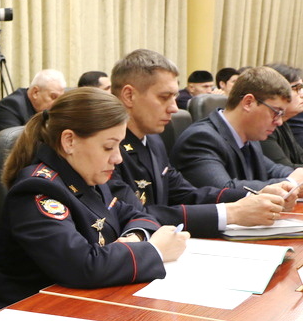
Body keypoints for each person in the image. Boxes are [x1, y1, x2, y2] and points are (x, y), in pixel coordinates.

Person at [0, 88, 188, 320]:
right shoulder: (37, 188)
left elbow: (136, 214)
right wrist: (155, 250)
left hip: (73, 305)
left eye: (119, 146)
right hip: (19, 315)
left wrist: (135, 238)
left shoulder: (86, 174)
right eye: (108, 147)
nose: (118, 158)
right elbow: (82, 266)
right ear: (69, 141)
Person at [108, 49, 288, 237]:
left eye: (174, 97)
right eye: (164, 97)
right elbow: (135, 215)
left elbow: (185, 194)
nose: (174, 108)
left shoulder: (153, 139)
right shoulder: (107, 149)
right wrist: (231, 213)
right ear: (129, 95)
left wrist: (253, 196)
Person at [171, 66, 303, 191]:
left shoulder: (248, 136)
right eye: (276, 112)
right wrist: (290, 182)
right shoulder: (201, 139)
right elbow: (223, 190)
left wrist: (297, 177)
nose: (279, 122)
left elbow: (273, 170)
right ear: (248, 102)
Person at [0, 69, 66, 143]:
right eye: (53, 97)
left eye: (60, 98)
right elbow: (19, 146)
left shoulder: (48, 110)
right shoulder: (10, 107)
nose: (57, 103)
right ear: (35, 92)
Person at [259, 63, 303, 167]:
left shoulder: (283, 123)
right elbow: (284, 169)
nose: (302, 94)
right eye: (296, 88)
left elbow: (300, 157)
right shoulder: (263, 127)